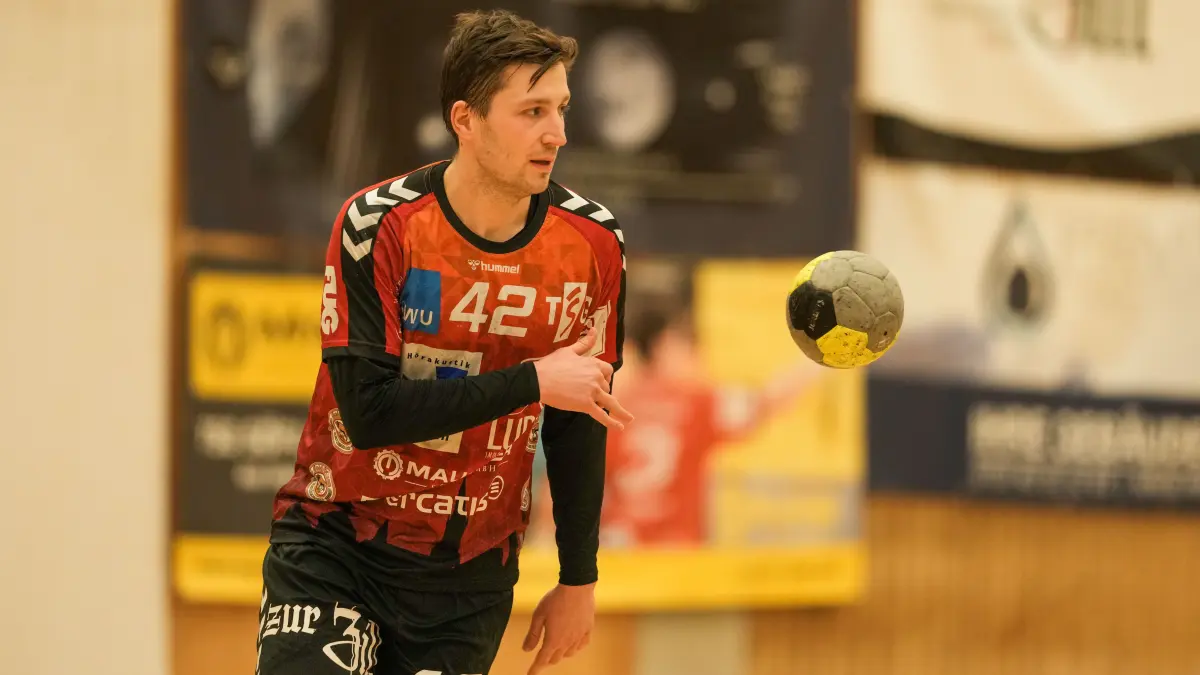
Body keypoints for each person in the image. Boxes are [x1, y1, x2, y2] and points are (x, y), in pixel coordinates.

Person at [254, 10, 632, 675]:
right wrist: (533, 381)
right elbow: (369, 411)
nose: (558, 133)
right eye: (533, 111)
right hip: (336, 543)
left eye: (562, 109)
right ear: (466, 119)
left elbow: (578, 420)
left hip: (466, 576)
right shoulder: (379, 225)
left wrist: (578, 577)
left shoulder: (594, 243)